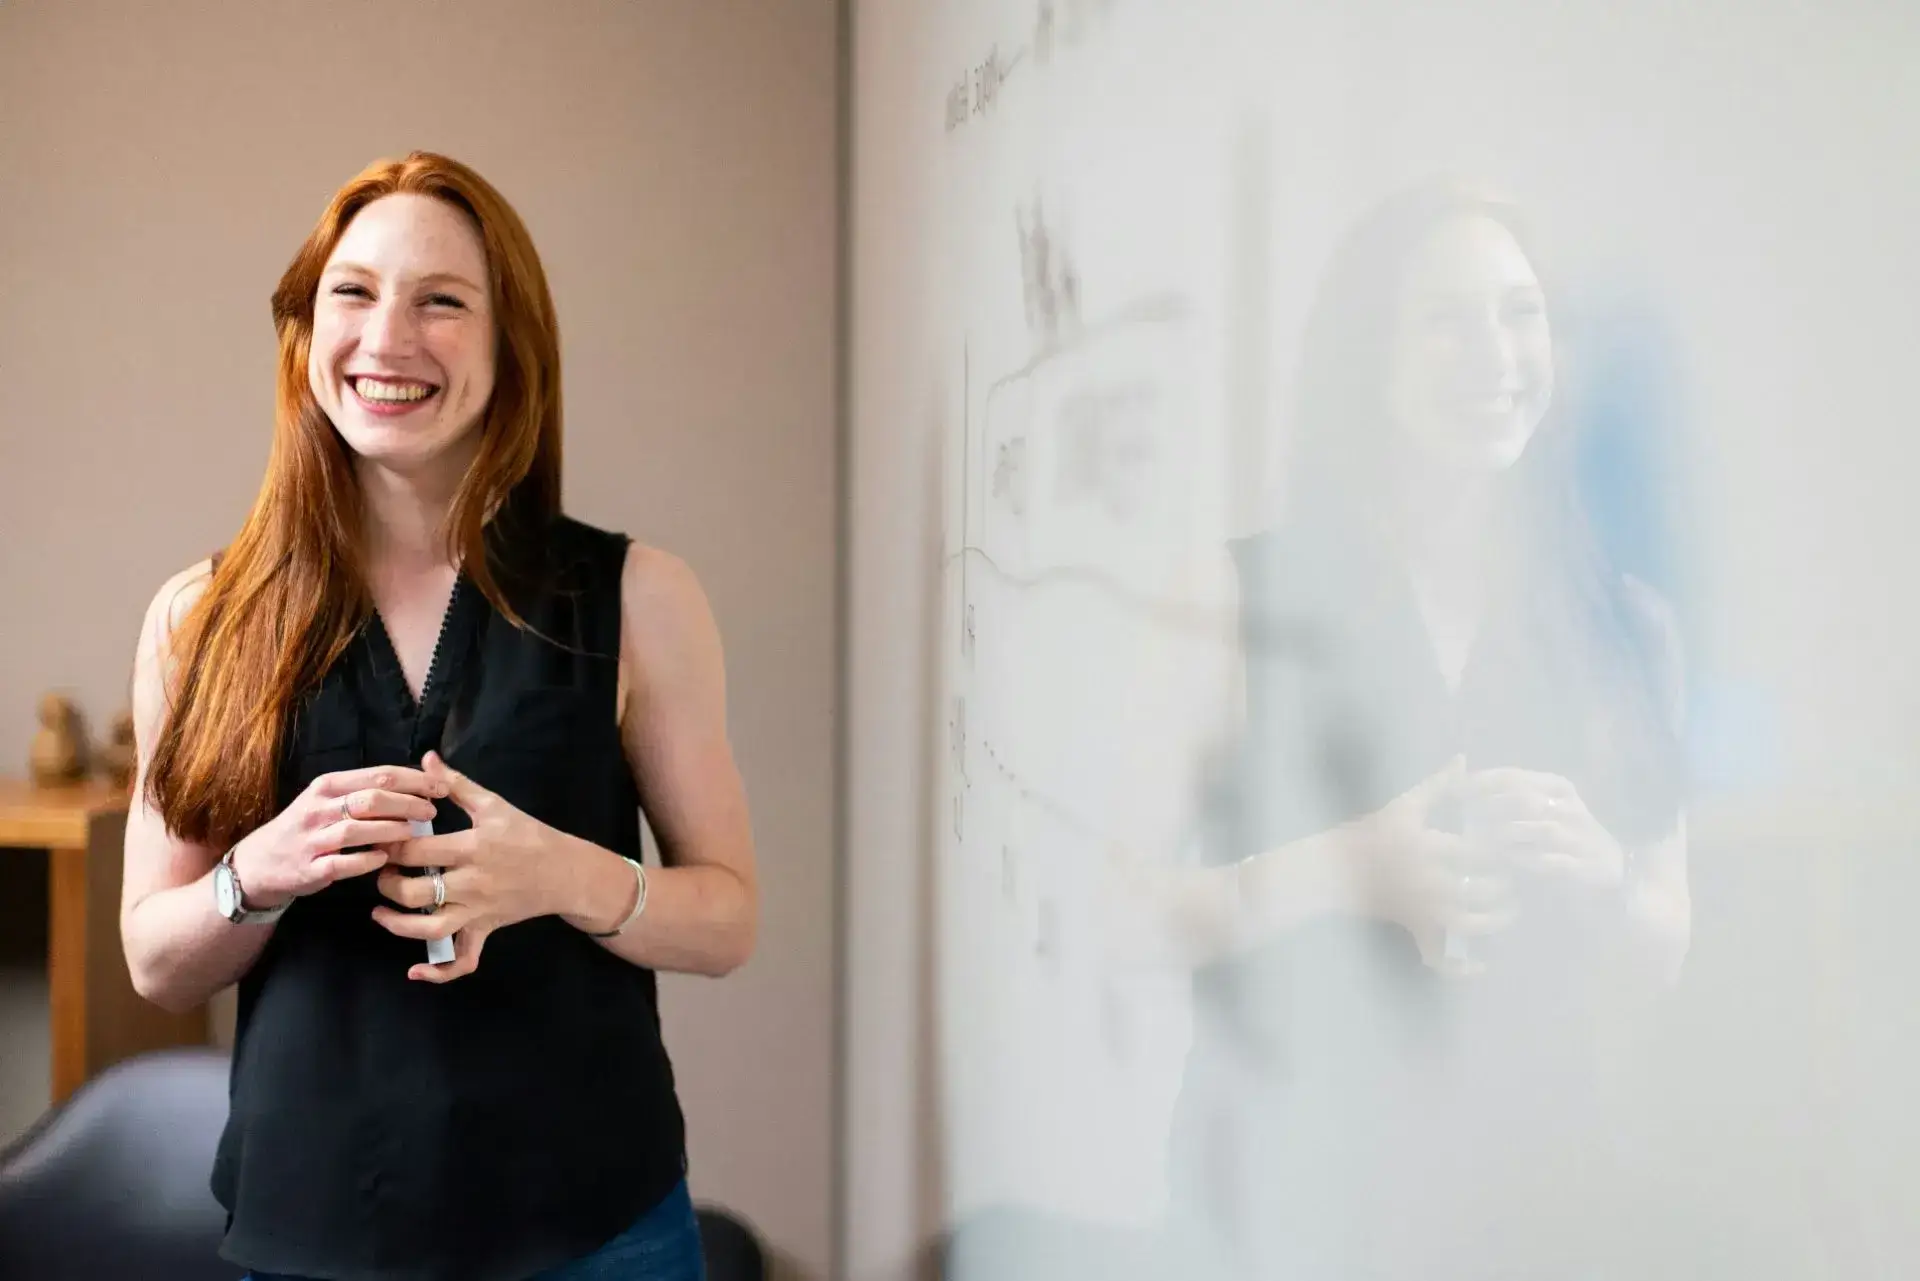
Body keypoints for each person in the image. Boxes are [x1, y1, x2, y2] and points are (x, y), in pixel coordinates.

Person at [119, 151, 758, 1281]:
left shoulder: (638, 597)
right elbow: (156, 961)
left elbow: (727, 919)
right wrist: (257, 872)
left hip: (597, 1232)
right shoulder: (196, 618)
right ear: (304, 331)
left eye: (442, 302)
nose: (388, 338)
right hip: (312, 1233)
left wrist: (565, 877)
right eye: (353, 293)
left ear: (512, 346)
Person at [1159, 180, 1693, 1280]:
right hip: (1283, 1188)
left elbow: (1663, 941)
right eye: (1443, 318)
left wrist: (1603, 878)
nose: (1493, 353)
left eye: (1519, 312)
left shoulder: (1629, 625)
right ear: (1367, 354)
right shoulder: (1236, 597)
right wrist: (1351, 867)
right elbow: (1132, 911)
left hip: (1537, 1193)